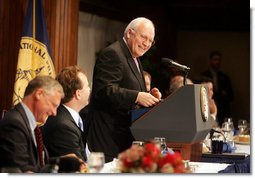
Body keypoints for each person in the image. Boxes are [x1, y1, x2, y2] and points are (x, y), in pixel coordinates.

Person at [87, 17, 162, 162]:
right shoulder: (113, 53)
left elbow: (125, 88)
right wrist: (137, 96)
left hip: (122, 138)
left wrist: (147, 95)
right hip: (107, 138)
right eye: (143, 37)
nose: (146, 44)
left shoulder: (133, 56)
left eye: (150, 41)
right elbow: (104, 90)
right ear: (129, 33)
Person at [0, 76, 80, 172]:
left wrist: (61, 161)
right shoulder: (14, 124)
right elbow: (21, 170)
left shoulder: (30, 124)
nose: (54, 113)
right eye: (54, 105)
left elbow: (37, 164)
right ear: (39, 94)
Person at [42, 66, 91, 162]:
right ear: (78, 94)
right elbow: (77, 168)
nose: (89, 90)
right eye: (87, 86)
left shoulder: (71, 117)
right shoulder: (63, 126)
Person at [201, 51, 234, 126]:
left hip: (223, 112)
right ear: (210, 60)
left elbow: (231, 96)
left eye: (219, 60)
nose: (217, 62)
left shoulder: (225, 77)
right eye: (215, 59)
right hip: (207, 111)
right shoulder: (202, 76)